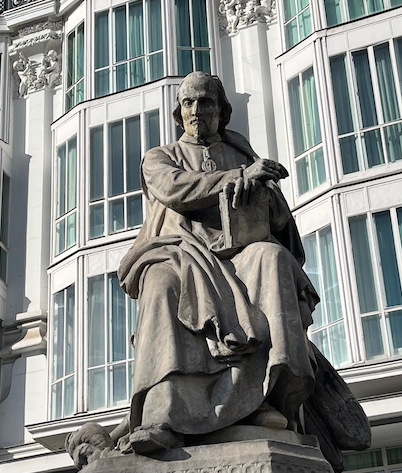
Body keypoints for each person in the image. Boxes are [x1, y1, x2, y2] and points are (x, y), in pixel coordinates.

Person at [117, 72, 321, 453]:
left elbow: (280, 222)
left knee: (273, 258)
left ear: (221, 110)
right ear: (179, 113)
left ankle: (266, 401)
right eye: (189, 103)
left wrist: (264, 193)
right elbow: (176, 189)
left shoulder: (243, 154)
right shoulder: (159, 157)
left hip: (239, 253)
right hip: (180, 251)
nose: (197, 110)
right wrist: (237, 178)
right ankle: (162, 415)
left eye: (206, 102)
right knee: (160, 283)